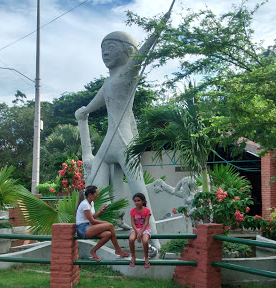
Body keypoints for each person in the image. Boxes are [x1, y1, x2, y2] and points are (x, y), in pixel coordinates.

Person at [75, 10, 172, 250]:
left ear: (128, 51)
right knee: (93, 187)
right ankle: (105, 228)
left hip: (125, 144)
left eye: (111, 47)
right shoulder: (108, 82)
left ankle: (154, 240)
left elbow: (146, 51)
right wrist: (84, 112)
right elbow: (93, 105)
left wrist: (158, 29)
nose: (105, 52)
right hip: (109, 143)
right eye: (102, 48)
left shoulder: (129, 74)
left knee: (139, 190)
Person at [76, 185, 130, 261]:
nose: (97, 196)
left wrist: (100, 211)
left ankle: (93, 251)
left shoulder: (91, 203)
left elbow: (93, 217)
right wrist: (105, 222)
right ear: (90, 195)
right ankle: (118, 250)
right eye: (96, 194)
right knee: (110, 225)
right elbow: (92, 221)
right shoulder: (85, 204)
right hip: (82, 229)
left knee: (108, 234)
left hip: (89, 226)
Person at [128, 193, 152, 269]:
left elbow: (146, 223)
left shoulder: (147, 210)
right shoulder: (132, 211)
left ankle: (146, 257)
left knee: (145, 241)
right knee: (131, 239)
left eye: (138, 200)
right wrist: (138, 232)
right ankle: (133, 256)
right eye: (135, 201)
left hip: (145, 229)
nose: (136, 203)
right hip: (136, 229)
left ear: (143, 201)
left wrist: (141, 233)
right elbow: (132, 223)